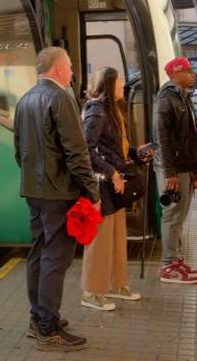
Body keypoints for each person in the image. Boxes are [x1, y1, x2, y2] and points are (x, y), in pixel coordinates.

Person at [14, 46, 101, 352]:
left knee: (38, 252)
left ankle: (38, 319)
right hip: (58, 193)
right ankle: (48, 330)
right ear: (60, 68)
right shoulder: (60, 98)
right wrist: (92, 191)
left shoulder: (25, 99)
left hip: (34, 191)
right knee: (56, 257)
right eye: (71, 67)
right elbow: (77, 153)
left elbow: (18, 151)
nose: (73, 73)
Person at [79, 67, 151, 310]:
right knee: (100, 240)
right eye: (119, 83)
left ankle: (116, 284)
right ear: (108, 86)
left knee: (117, 238)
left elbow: (114, 147)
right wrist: (111, 172)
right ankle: (91, 292)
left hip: (114, 183)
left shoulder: (111, 111)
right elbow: (85, 150)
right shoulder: (97, 111)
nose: (123, 87)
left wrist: (136, 153)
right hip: (104, 183)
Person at [152, 57, 197, 284]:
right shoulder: (166, 99)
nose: (193, 75)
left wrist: (195, 170)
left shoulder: (183, 97)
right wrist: (170, 173)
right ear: (175, 74)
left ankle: (176, 260)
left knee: (179, 216)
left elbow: (190, 138)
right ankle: (169, 266)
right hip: (173, 169)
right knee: (172, 216)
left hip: (184, 168)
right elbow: (162, 138)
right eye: (189, 71)